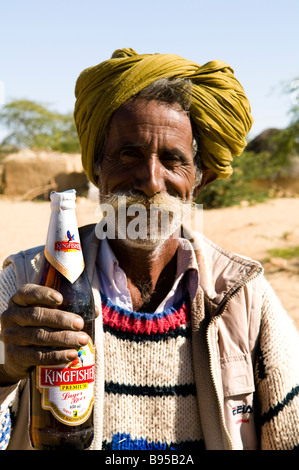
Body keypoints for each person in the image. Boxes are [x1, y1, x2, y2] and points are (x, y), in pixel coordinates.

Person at [0, 48, 298, 451]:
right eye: (129, 154)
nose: (151, 181)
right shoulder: (25, 282)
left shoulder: (244, 297)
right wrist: (5, 369)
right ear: (97, 168)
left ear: (199, 179)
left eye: (172, 160)